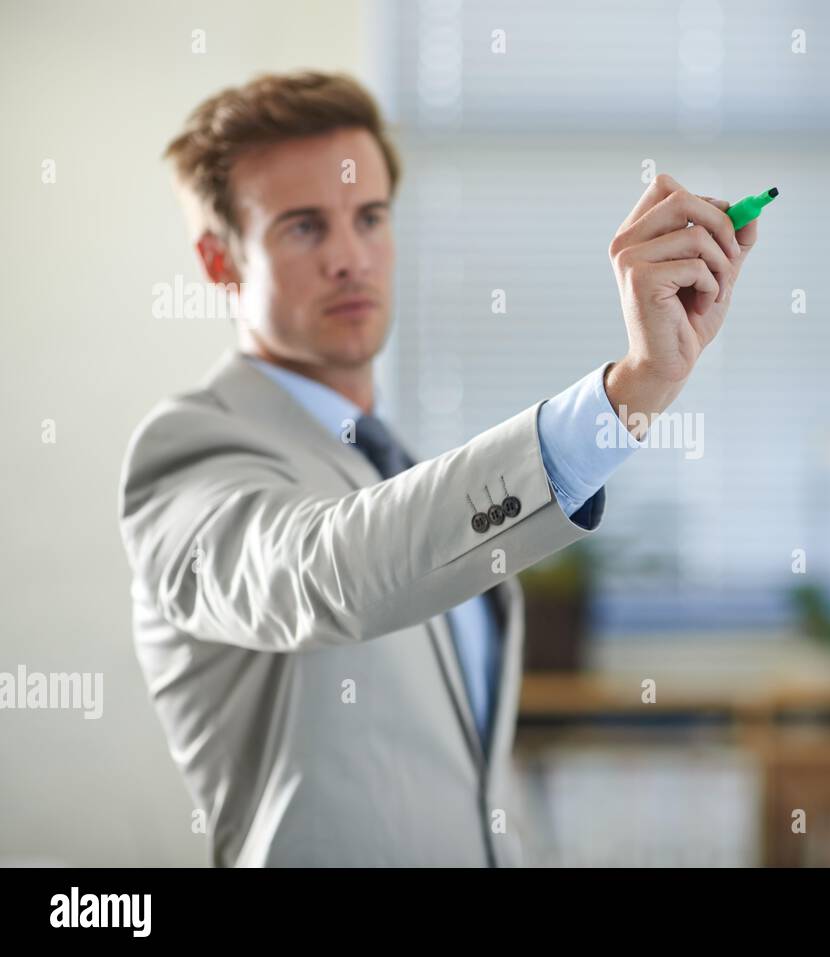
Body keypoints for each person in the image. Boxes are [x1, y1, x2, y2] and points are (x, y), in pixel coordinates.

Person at [118, 70, 760, 866]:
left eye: (370, 217)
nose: (352, 257)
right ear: (221, 261)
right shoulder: (189, 451)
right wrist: (629, 392)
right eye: (303, 227)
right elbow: (325, 571)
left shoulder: (388, 463)